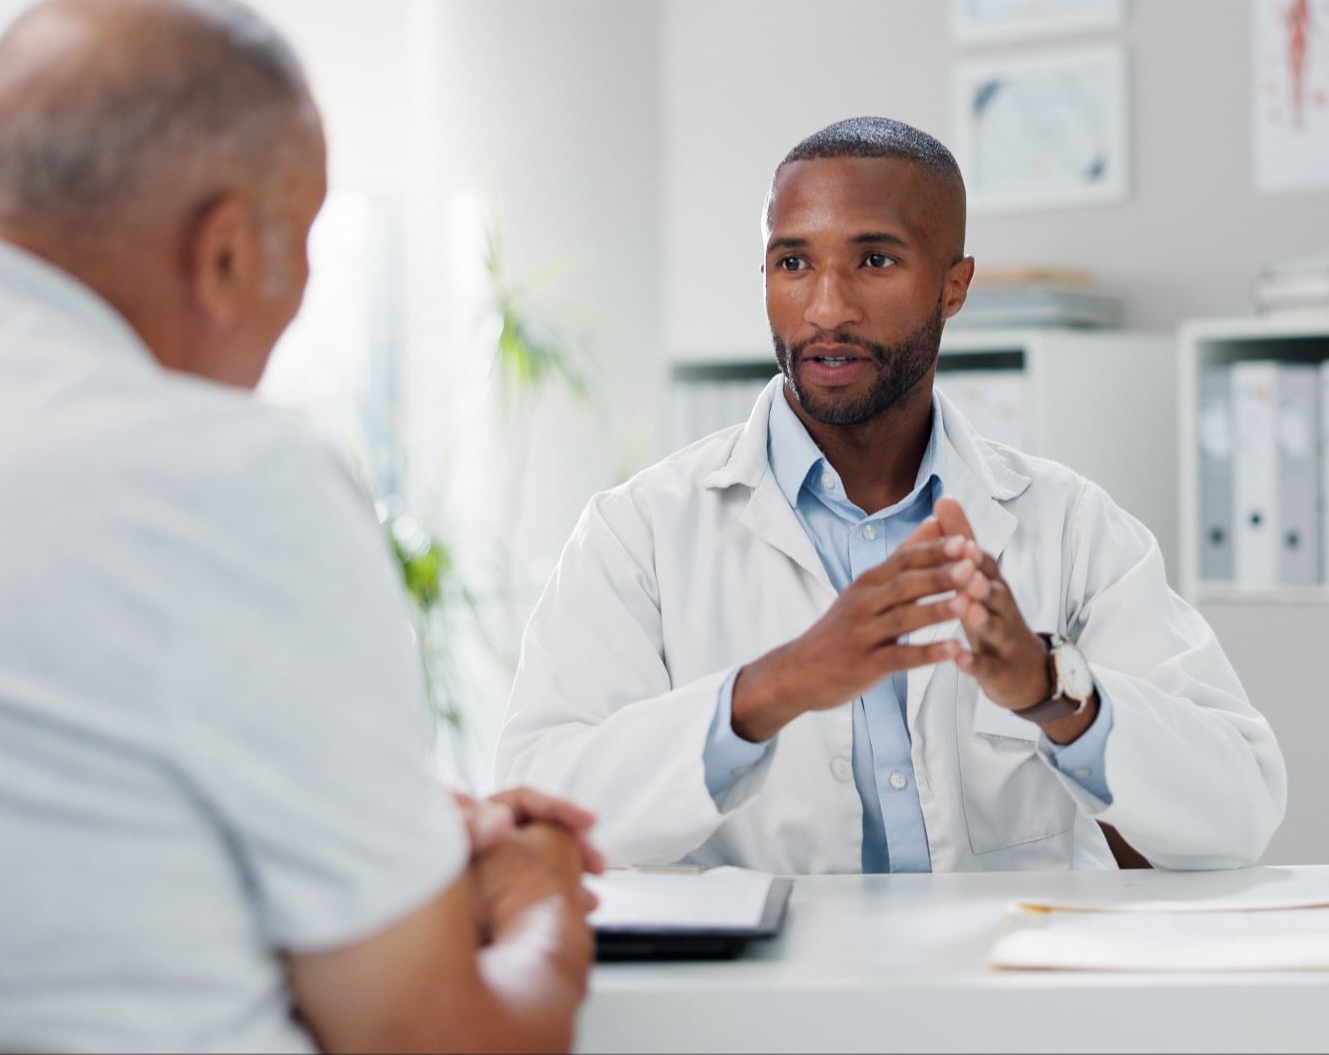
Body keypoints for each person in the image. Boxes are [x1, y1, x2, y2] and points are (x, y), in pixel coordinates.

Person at [0, 1, 600, 1051]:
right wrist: (540, 900)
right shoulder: (225, 477)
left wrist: (382, 821)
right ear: (228, 251)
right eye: (305, 239)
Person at [496, 116, 1287, 875]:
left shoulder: (1069, 525)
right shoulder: (639, 533)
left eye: (874, 260)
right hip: (761, 1006)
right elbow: (538, 804)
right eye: (793, 262)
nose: (827, 306)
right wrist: (772, 687)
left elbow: (1240, 810)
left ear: (954, 287)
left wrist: (1053, 689)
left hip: (1005, 995)